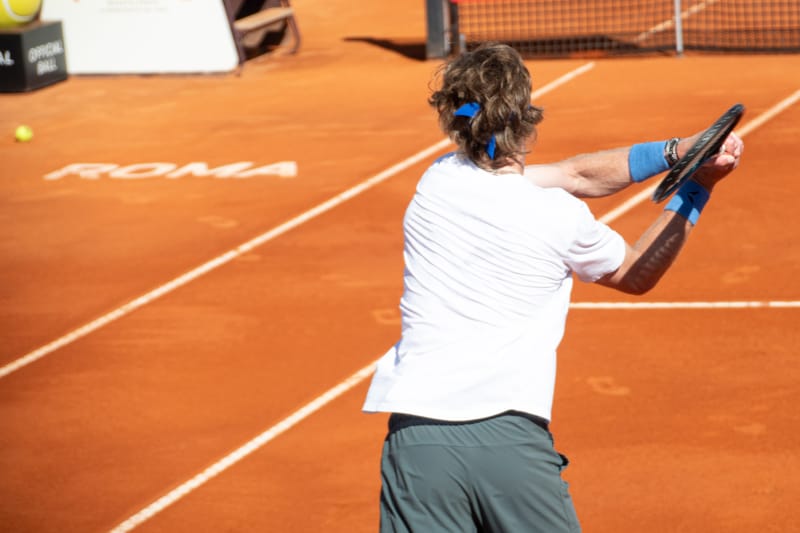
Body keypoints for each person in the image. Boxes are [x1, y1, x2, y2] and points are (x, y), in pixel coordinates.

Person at [362, 43, 743, 533]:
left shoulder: (438, 180)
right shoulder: (557, 217)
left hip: (417, 445)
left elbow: (576, 174)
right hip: (508, 447)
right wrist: (698, 188)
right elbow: (636, 272)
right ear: (529, 123)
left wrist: (679, 151)